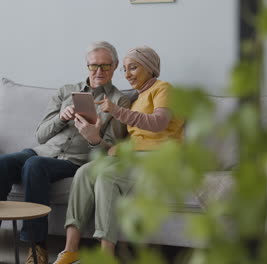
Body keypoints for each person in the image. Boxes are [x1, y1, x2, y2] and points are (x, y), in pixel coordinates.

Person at [0, 41, 130, 264]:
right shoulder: (65, 92)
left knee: (36, 166)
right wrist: (61, 118)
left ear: (115, 65)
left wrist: (93, 137)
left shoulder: (120, 102)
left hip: (75, 161)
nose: (99, 71)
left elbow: (110, 152)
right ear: (87, 66)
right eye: (93, 66)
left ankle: (36, 246)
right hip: (41, 151)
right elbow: (41, 134)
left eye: (105, 66)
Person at [53, 46, 184, 264]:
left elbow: (159, 123)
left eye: (133, 68)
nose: (127, 75)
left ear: (150, 68)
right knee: (85, 171)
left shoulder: (163, 89)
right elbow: (134, 142)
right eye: (124, 69)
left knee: (107, 177)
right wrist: (97, 139)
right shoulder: (136, 99)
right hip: (134, 157)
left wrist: (115, 110)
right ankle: (70, 249)